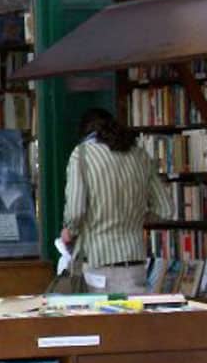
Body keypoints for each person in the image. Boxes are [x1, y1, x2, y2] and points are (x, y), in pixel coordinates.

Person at [60, 107, 173, 294]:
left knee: (100, 323)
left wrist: (69, 232)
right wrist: (134, 219)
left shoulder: (82, 155)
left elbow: (76, 211)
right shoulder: (140, 155)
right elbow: (166, 209)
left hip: (98, 265)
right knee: (132, 323)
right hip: (135, 265)